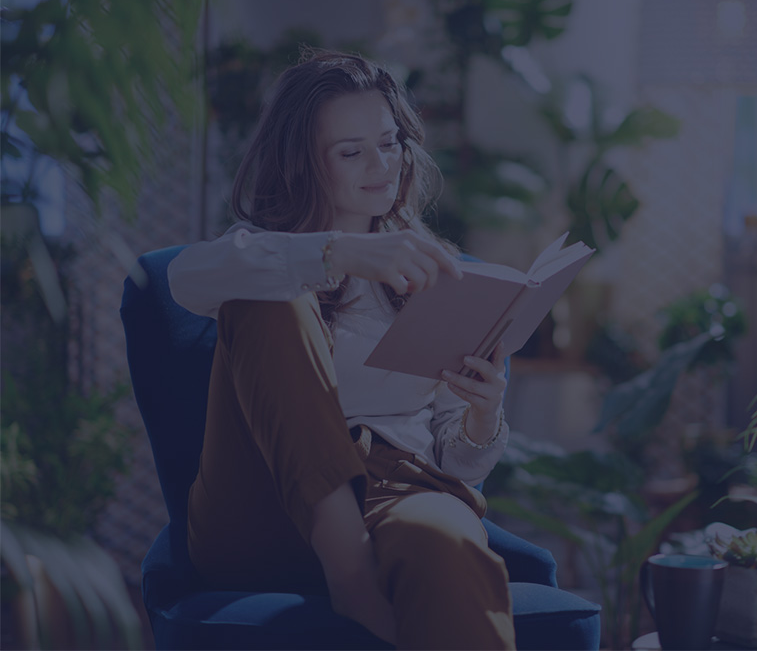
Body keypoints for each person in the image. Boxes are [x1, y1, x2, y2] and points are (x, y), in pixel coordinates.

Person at [167, 48, 516, 650]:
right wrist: (336, 254)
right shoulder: (264, 254)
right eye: (352, 152)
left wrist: (482, 418)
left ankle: (365, 558)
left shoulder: (434, 271)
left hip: (395, 488)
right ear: (305, 164)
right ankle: (350, 573)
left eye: (389, 142)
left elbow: (455, 463)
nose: (381, 165)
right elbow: (181, 279)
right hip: (262, 503)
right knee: (270, 295)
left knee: (448, 541)